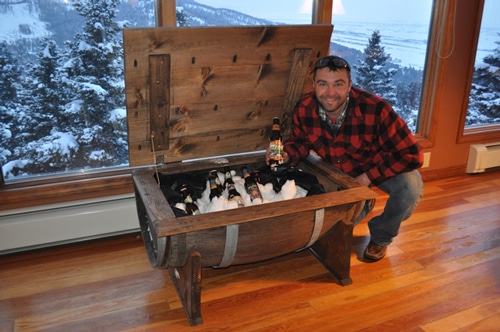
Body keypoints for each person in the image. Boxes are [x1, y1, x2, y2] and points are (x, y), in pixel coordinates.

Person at [267, 55, 424, 261]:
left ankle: (382, 236)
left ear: (349, 85)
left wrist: (367, 178)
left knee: (410, 188)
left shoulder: (376, 108)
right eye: (323, 84)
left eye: (338, 84)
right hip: (338, 172)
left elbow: (412, 155)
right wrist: (286, 154)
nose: (330, 93)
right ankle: (359, 207)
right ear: (313, 84)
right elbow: (300, 142)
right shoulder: (304, 108)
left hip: (376, 167)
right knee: (334, 229)